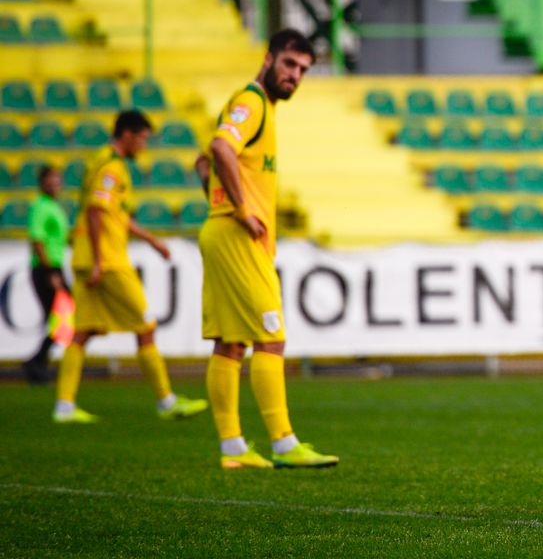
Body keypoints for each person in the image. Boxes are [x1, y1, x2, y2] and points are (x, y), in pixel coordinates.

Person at [193, 28, 337, 470]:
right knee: (270, 337)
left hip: (219, 231)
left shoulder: (258, 106)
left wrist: (220, 202)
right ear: (268, 57)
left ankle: (233, 450)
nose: (294, 76)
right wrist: (239, 208)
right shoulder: (252, 101)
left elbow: (203, 161)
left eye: (303, 71)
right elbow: (220, 147)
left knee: (230, 343)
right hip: (236, 237)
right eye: (289, 65)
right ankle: (282, 442)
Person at [53, 111, 208, 424]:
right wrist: (99, 260)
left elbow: (112, 214)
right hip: (107, 261)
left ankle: (64, 407)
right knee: (146, 325)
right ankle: (166, 401)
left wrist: (150, 239)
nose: (144, 145)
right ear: (127, 134)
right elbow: (97, 212)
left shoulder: (101, 160)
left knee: (82, 332)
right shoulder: (112, 168)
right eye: (142, 138)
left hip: (86, 256)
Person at [22, 165, 69, 384]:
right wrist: (50, 271)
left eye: (57, 179)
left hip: (54, 266)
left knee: (61, 318)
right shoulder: (40, 206)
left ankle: (38, 363)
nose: (55, 183)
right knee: (62, 317)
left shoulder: (52, 206)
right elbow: (37, 240)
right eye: (50, 180)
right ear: (42, 183)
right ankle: (37, 363)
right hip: (46, 269)